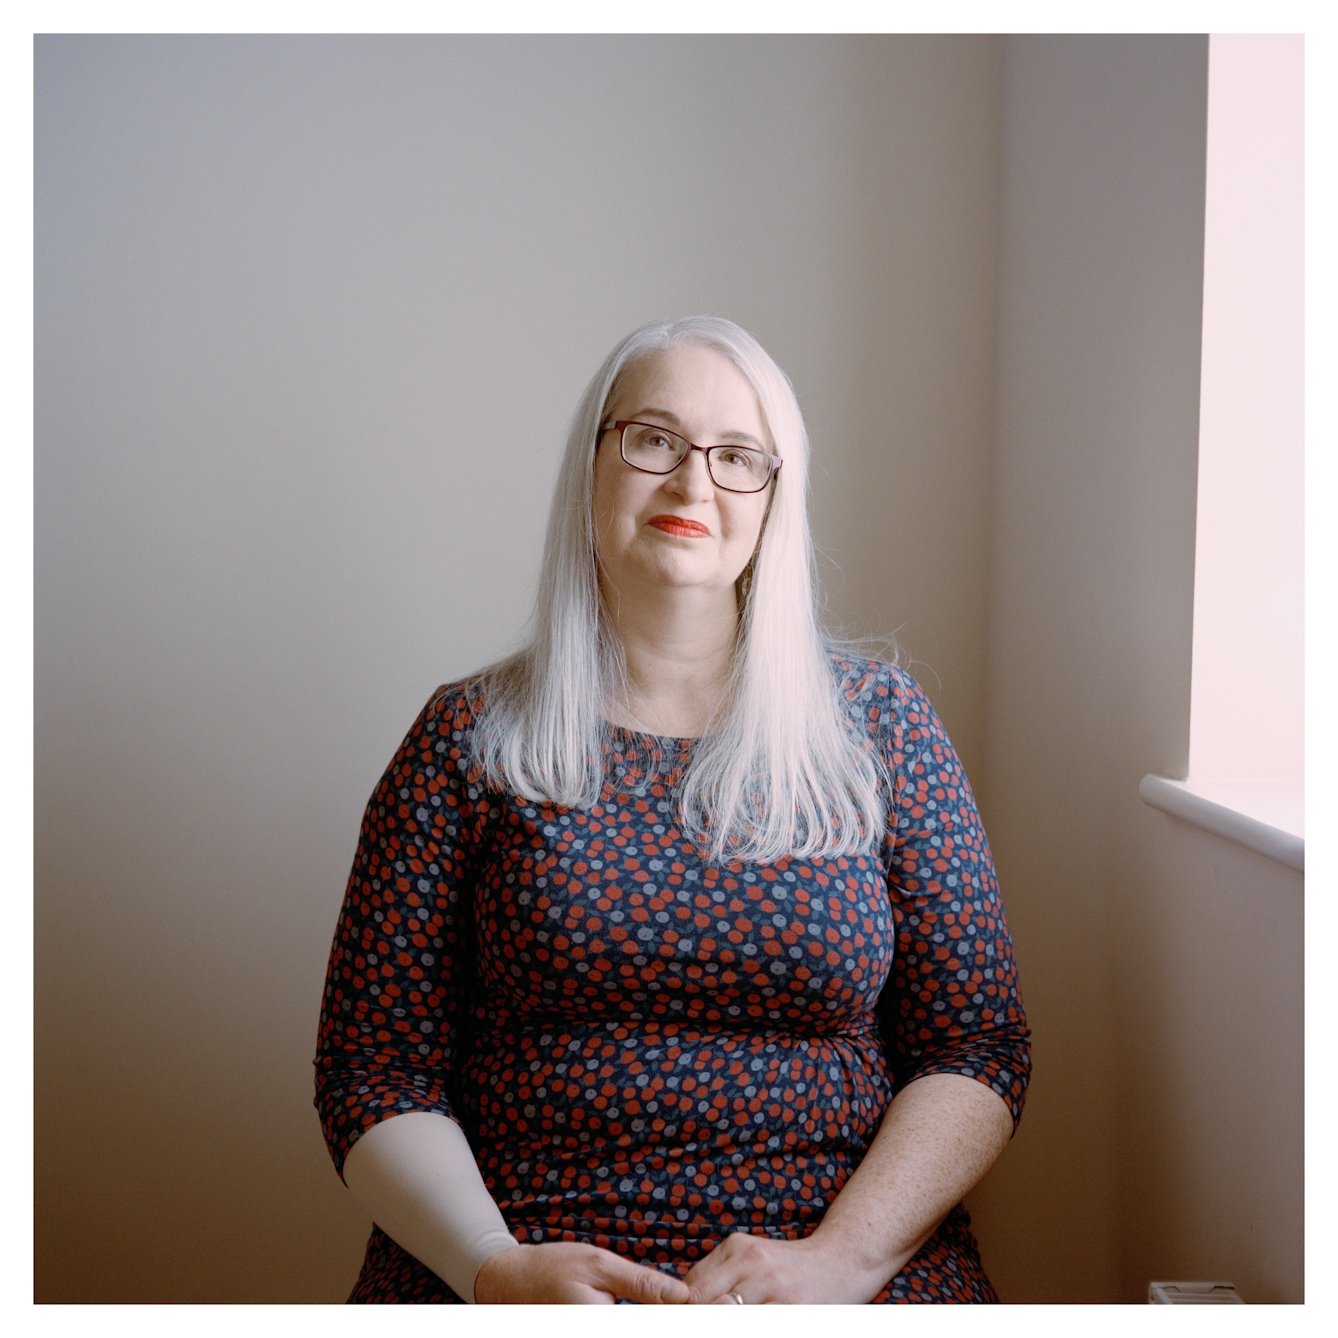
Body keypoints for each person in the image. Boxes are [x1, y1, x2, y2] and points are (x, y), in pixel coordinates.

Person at [313, 316, 1030, 1304]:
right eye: (655, 440)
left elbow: (977, 1051)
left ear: (778, 496)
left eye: (738, 457)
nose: (694, 484)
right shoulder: (464, 739)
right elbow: (374, 1072)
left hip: (837, 1273)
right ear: (594, 463)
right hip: (514, 1270)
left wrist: (841, 1259)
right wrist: (495, 1268)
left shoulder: (881, 728)